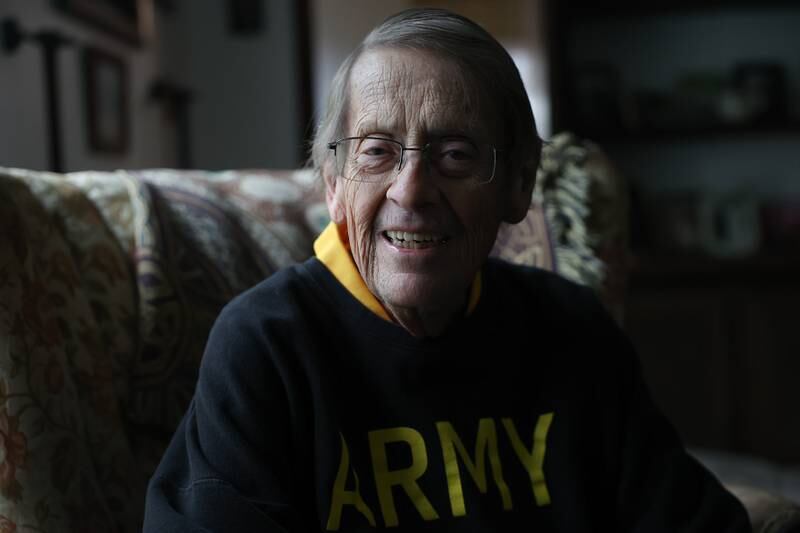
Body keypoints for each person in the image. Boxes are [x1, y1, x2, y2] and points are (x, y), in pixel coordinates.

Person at [144, 8, 751, 532]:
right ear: (334, 185)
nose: (411, 190)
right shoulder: (265, 347)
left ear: (517, 185)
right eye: (377, 151)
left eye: (455, 154)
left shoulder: (572, 331)